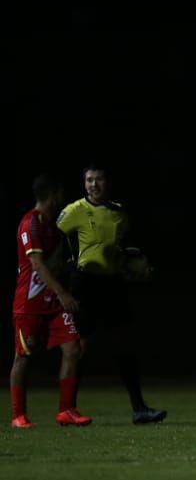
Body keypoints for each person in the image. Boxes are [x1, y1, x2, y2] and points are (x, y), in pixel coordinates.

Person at [56, 165, 165, 424]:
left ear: (108, 182)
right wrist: (66, 270)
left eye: (99, 179)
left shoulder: (120, 214)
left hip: (112, 285)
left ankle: (139, 409)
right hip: (84, 283)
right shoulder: (73, 212)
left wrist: (134, 270)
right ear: (84, 184)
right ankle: (67, 408)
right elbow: (54, 243)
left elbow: (122, 251)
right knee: (79, 347)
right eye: (89, 180)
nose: (94, 185)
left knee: (124, 344)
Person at [10, 174, 91, 428]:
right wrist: (63, 294)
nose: (63, 199)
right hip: (30, 304)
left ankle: (66, 410)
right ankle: (18, 416)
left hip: (53, 302)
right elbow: (37, 265)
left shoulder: (53, 228)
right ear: (53, 195)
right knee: (24, 357)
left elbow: (54, 265)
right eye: (61, 194)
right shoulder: (29, 224)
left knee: (73, 349)